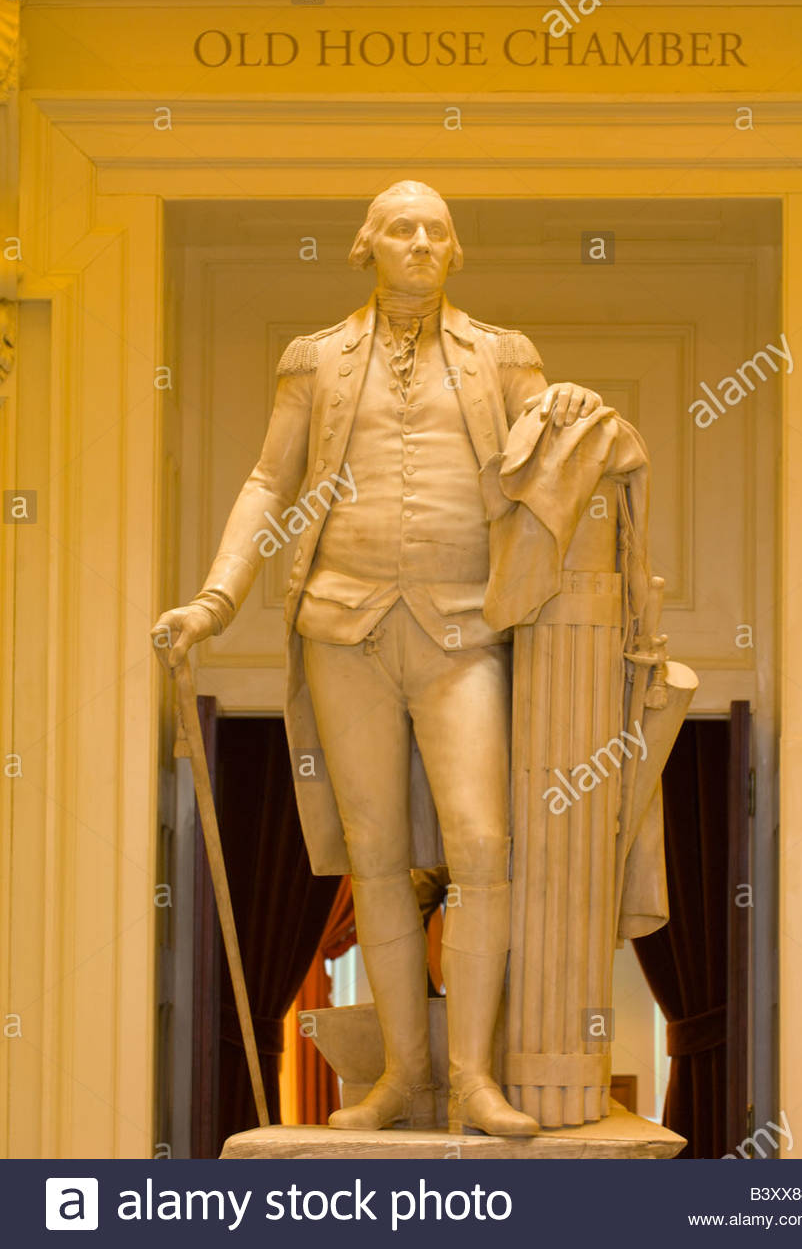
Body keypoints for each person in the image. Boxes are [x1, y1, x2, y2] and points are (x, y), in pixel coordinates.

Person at [152, 181, 601, 1135]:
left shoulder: (504, 356)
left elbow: (555, 460)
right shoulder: (315, 361)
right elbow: (269, 481)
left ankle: (471, 1078)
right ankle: (403, 1077)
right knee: (378, 858)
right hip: (341, 624)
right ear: (367, 244)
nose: (422, 243)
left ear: (455, 250)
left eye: (438, 230)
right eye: (402, 228)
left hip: (463, 624)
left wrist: (564, 408)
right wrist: (214, 600)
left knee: (482, 844)